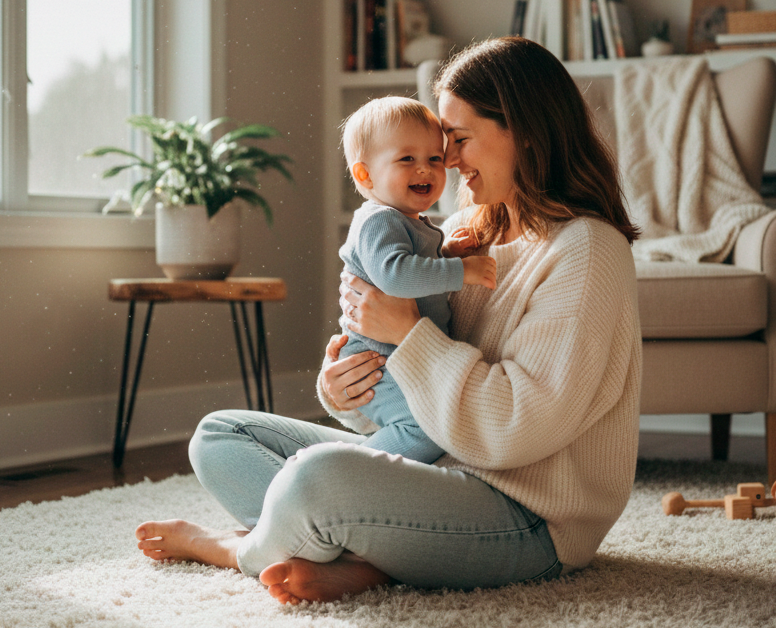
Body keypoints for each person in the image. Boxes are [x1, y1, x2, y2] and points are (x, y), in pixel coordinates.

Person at [134, 36, 643, 606]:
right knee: (221, 436)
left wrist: (408, 332)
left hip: (528, 516)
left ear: (523, 130)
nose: (446, 161)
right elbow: (411, 407)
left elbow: (517, 427)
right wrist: (347, 391)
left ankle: (240, 549)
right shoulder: (463, 236)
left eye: (458, 140)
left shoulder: (586, 251)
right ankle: (373, 557)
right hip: (439, 468)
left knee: (315, 478)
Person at [335, 96, 497, 463]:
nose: (425, 169)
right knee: (425, 428)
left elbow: (414, 271)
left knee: (429, 424)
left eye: (434, 159)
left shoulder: (409, 222)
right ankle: (336, 471)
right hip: (375, 360)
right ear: (365, 175)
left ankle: (341, 468)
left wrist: (445, 254)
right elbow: (396, 277)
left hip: (399, 356)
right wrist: (462, 271)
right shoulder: (379, 220)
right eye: (407, 159)